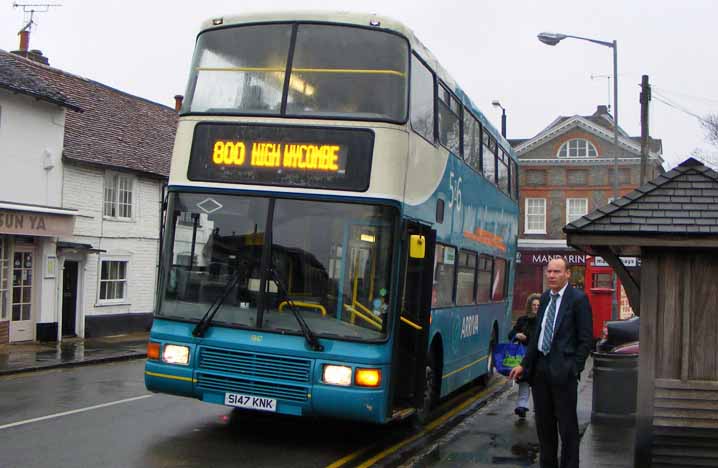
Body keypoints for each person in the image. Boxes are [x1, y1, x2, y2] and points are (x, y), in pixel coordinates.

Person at [508, 258, 593, 468]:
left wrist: (574, 368)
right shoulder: (545, 298)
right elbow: (537, 335)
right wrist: (524, 365)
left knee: (568, 430)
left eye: (556, 272)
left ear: (567, 274)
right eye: (549, 272)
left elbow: (586, 339)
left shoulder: (578, 300)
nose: (551, 275)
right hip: (541, 374)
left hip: (564, 374)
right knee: (545, 431)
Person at [508, 293, 540, 418]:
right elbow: (511, 334)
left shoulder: (544, 320)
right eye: (534, 305)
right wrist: (517, 335)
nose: (536, 307)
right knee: (524, 380)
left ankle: (540, 408)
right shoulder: (522, 320)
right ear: (529, 306)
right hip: (523, 354)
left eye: (538, 305)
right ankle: (521, 406)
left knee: (538, 383)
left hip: (539, 356)